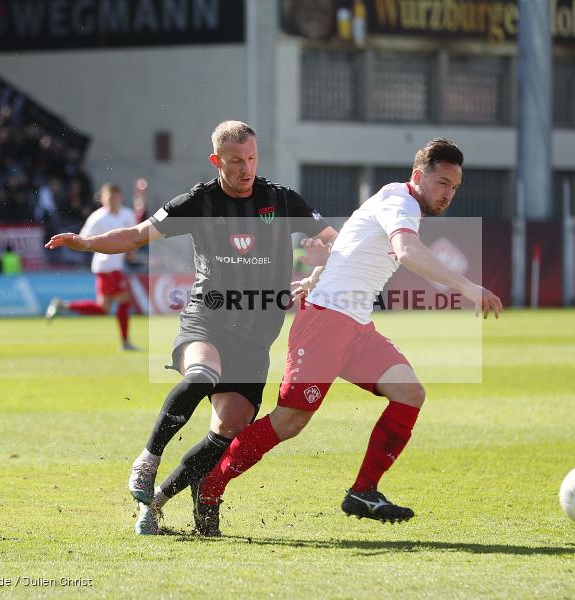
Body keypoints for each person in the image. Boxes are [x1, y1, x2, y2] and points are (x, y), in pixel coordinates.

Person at [193, 138, 502, 535]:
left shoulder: (398, 201)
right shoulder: (401, 202)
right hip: (324, 323)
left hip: (354, 326)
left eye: (454, 188)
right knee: (289, 422)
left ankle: (364, 491)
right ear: (417, 177)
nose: (448, 194)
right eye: (442, 183)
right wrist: (468, 287)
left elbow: (353, 244)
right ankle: (209, 488)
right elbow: (406, 251)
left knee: (410, 393)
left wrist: (319, 274)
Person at [44, 121, 337, 535]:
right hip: (208, 318)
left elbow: (333, 241)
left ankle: (159, 501)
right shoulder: (200, 201)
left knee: (229, 430)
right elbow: (137, 235)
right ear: (217, 161)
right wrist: (88, 244)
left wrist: (317, 272)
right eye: (236, 161)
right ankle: (148, 457)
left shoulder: (281, 199)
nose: (246, 168)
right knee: (204, 373)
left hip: (256, 337)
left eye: (252, 158)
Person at [45, 183, 140, 350]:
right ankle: (125, 342)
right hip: (105, 266)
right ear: (102, 199)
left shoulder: (128, 214)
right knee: (125, 300)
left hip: (115, 266)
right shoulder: (97, 218)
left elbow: (135, 235)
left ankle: (64, 306)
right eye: (109, 198)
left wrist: (132, 250)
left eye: (115, 197)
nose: (112, 201)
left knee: (103, 308)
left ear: (121, 198)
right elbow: (82, 239)